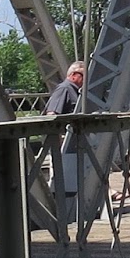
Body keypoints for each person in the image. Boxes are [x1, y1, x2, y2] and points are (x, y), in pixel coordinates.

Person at [46, 62, 85, 219]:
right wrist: (59, 141)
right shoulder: (65, 89)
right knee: (61, 181)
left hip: (74, 146)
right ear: (74, 75)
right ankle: (60, 215)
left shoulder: (76, 91)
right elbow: (51, 115)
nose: (86, 81)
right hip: (63, 146)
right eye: (84, 77)